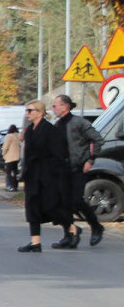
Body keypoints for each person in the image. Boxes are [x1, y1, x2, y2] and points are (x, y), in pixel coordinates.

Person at [18, 99, 75, 252]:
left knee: (51, 207)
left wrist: (54, 174)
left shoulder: (50, 130)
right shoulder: (29, 130)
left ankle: (71, 227)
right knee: (32, 207)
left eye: (30, 110)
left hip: (48, 175)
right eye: (26, 111)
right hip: (32, 175)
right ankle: (35, 242)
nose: (27, 114)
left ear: (40, 112)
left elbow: (59, 154)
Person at [52, 94, 106, 247]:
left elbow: (97, 139)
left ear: (65, 106)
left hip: (78, 167)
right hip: (62, 170)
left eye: (55, 105)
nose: (53, 108)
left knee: (76, 200)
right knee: (63, 203)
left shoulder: (79, 123)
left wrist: (90, 159)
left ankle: (96, 226)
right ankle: (69, 236)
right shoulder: (57, 125)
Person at [2, 124, 22, 192]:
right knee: (15, 172)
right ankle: (15, 186)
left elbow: (5, 146)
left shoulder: (9, 136)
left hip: (10, 157)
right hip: (17, 157)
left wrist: (3, 153)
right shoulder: (18, 136)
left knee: (8, 172)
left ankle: (10, 186)